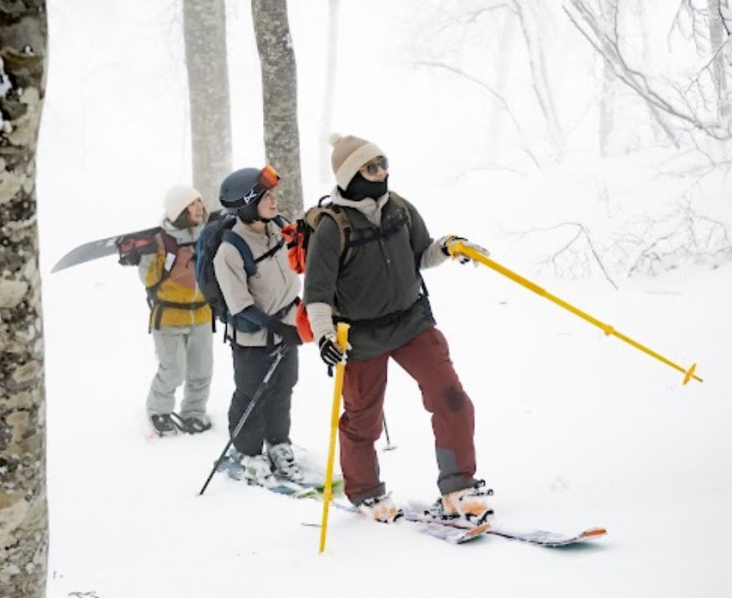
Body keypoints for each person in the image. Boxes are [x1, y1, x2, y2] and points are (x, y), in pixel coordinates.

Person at [302, 133, 492, 526]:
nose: (381, 172)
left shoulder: (400, 209)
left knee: (451, 398)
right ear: (352, 174)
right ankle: (366, 493)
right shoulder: (332, 228)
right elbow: (317, 295)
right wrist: (324, 337)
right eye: (371, 167)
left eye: (383, 163)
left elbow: (422, 253)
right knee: (362, 420)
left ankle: (459, 485)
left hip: (411, 322)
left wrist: (450, 246)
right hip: (361, 336)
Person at [213, 165, 305, 485]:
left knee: (283, 388)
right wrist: (279, 329)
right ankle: (248, 453)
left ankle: (278, 443)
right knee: (252, 393)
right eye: (266, 196)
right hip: (254, 337)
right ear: (248, 203)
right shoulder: (230, 250)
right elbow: (240, 304)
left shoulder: (277, 227)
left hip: (290, 323)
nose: (274, 200)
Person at [137, 185, 214, 437]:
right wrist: (147, 255)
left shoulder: (208, 236)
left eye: (200, 202)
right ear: (179, 210)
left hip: (201, 314)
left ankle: (193, 413)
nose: (199, 207)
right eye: (192, 204)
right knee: (173, 370)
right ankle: (158, 410)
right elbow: (148, 280)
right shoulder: (161, 241)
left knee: (201, 370)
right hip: (168, 316)